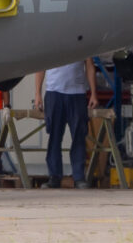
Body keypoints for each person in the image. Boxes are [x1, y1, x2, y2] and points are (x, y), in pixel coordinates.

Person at [40, 58, 95, 187]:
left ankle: (79, 176)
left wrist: (93, 93)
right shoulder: (48, 41)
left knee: (78, 136)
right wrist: (37, 94)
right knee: (54, 136)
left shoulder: (82, 40)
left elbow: (89, 64)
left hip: (77, 92)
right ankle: (54, 176)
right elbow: (40, 66)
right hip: (54, 91)